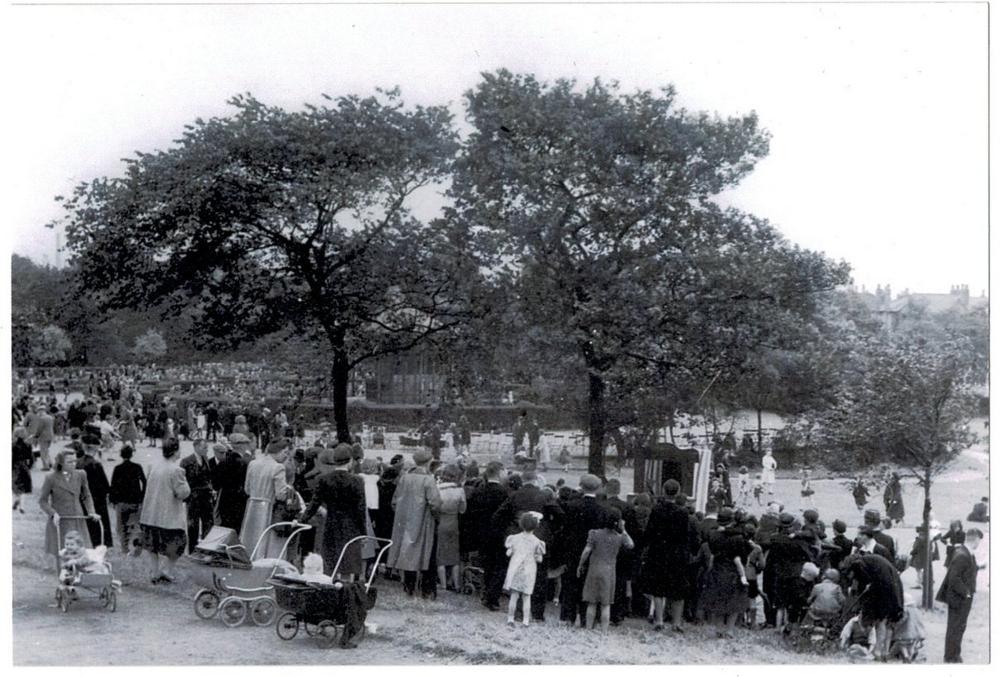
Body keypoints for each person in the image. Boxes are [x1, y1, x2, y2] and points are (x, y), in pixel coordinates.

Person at [639, 479, 698, 632]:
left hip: (658, 553)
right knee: (678, 589)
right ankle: (677, 623)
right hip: (677, 554)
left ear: (664, 490)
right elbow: (686, 535)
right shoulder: (683, 512)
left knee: (658, 588)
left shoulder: (656, 509)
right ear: (677, 492)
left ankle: (659, 620)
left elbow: (649, 532)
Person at [300, 445, 367, 578]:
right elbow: (360, 509)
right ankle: (345, 593)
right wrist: (363, 533)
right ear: (350, 461)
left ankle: (331, 592)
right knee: (347, 566)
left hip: (330, 524)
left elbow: (314, 503)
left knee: (330, 564)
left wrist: (302, 519)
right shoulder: (357, 481)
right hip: (350, 526)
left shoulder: (324, 479)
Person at [386, 449, 442, 598]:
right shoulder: (428, 480)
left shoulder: (404, 477)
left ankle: (409, 587)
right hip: (424, 521)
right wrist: (436, 517)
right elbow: (435, 503)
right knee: (427, 554)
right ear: (429, 461)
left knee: (408, 553)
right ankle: (427, 589)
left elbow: (394, 501)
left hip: (405, 521)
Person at [556, 474, 610, 626]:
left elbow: (565, 530)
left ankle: (567, 617)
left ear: (581, 486)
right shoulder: (602, 509)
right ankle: (587, 619)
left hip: (572, 550)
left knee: (570, 583)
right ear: (598, 488)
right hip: (594, 552)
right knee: (589, 585)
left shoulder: (571, 505)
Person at [139, 438, 191, 583]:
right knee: (178, 544)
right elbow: (183, 493)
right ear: (175, 451)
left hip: (150, 514)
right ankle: (167, 570)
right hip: (168, 517)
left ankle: (155, 572)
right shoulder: (177, 470)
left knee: (152, 545)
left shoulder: (154, 466)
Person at [38, 451, 100, 561]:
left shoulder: (81, 474)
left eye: (75, 461)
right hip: (60, 520)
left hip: (77, 518)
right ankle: (62, 576)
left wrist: (91, 511)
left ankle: (81, 576)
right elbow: (42, 501)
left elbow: (86, 495)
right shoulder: (51, 478)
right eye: (69, 462)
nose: (73, 464)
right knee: (62, 553)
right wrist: (53, 513)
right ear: (61, 463)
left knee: (81, 552)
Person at [578, 508, 634, 631]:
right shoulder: (619, 537)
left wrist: (580, 564)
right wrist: (623, 529)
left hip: (594, 569)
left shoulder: (594, 533)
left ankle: (588, 628)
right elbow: (631, 544)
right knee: (605, 604)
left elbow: (587, 551)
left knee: (591, 602)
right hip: (609, 572)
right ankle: (604, 631)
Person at [699, 507, 751, 638]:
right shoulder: (738, 538)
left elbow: (713, 552)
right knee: (734, 602)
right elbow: (742, 558)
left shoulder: (713, 535)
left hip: (717, 568)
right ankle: (730, 630)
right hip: (733, 570)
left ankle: (719, 629)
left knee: (718, 601)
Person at [844, 552, 905, 661]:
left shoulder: (858, 565)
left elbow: (867, 587)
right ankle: (884, 652)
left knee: (881, 620)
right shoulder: (867, 561)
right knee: (887, 621)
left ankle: (877, 652)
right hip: (892, 585)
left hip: (885, 588)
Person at [466, 461, 510, 611]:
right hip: (499, 534)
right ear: (499, 473)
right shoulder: (504, 493)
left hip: (482, 534)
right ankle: (492, 597)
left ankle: (487, 594)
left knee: (488, 565)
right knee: (500, 566)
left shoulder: (478, 491)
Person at [936, 527, 983, 663]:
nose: (979, 544)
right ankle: (951, 656)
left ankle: (954, 654)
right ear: (974, 540)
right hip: (959, 598)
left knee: (959, 626)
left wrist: (979, 567)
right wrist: (967, 593)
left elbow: (966, 571)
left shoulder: (965, 552)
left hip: (961, 597)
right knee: (955, 627)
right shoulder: (962, 555)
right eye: (979, 541)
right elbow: (954, 578)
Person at [241, 440, 292, 558]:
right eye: (285, 452)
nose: (286, 455)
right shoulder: (278, 467)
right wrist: (289, 489)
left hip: (252, 507)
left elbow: (247, 489)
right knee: (266, 543)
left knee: (250, 540)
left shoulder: (253, 463)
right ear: (278, 452)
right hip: (268, 509)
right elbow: (281, 495)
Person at [504, 512, 546, 627]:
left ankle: (510, 619)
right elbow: (539, 559)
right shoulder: (538, 542)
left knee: (514, 595)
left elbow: (508, 553)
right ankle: (526, 621)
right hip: (529, 571)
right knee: (527, 597)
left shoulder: (514, 538)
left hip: (516, 569)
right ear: (536, 526)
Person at [109, 444, 146, 555]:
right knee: (136, 526)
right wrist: (142, 495)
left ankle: (125, 549)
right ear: (132, 454)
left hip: (121, 501)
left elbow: (113, 485)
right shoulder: (137, 467)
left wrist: (113, 500)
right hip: (135, 500)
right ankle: (137, 547)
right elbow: (144, 482)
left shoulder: (117, 468)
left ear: (121, 455)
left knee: (122, 527)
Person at [77, 436, 113, 548]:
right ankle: (100, 543)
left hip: (82, 496)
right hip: (97, 498)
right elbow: (105, 485)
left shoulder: (77, 463)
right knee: (99, 523)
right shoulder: (96, 464)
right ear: (95, 449)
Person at [181, 438, 216, 552]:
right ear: (196, 447)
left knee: (208, 523)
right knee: (193, 525)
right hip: (193, 498)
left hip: (206, 497)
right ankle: (192, 549)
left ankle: (206, 548)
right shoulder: (186, 462)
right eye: (204, 447)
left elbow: (208, 477)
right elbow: (182, 480)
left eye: (207, 447)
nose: (206, 449)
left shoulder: (205, 459)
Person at [436, 464, 467, 591]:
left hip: (441, 521)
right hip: (454, 522)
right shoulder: (460, 491)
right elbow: (463, 509)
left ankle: (443, 584)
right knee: (454, 555)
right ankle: (456, 584)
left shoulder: (438, 489)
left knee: (441, 555)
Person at [212, 435, 249, 530]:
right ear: (241, 445)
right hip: (239, 502)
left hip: (224, 501)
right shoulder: (243, 463)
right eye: (246, 443)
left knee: (225, 528)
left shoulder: (223, 461)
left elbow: (215, 483)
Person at [909, 525, 939, 590]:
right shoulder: (928, 539)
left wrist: (912, 552)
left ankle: (920, 582)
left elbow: (916, 548)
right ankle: (925, 581)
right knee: (923, 569)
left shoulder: (919, 539)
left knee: (918, 570)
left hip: (918, 557)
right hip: (925, 556)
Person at [12, 427, 33, 513]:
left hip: (15, 466)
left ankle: (16, 499)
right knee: (24, 486)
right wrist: (29, 466)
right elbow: (31, 458)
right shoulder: (28, 445)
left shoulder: (12, 445)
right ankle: (22, 506)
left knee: (15, 485)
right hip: (24, 466)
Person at [30, 406, 56, 471]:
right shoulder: (50, 417)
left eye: (39, 411)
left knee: (43, 452)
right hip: (50, 435)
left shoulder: (41, 419)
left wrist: (36, 436)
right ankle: (50, 463)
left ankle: (46, 466)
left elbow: (40, 429)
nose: (38, 413)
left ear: (41, 411)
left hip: (43, 436)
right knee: (46, 450)